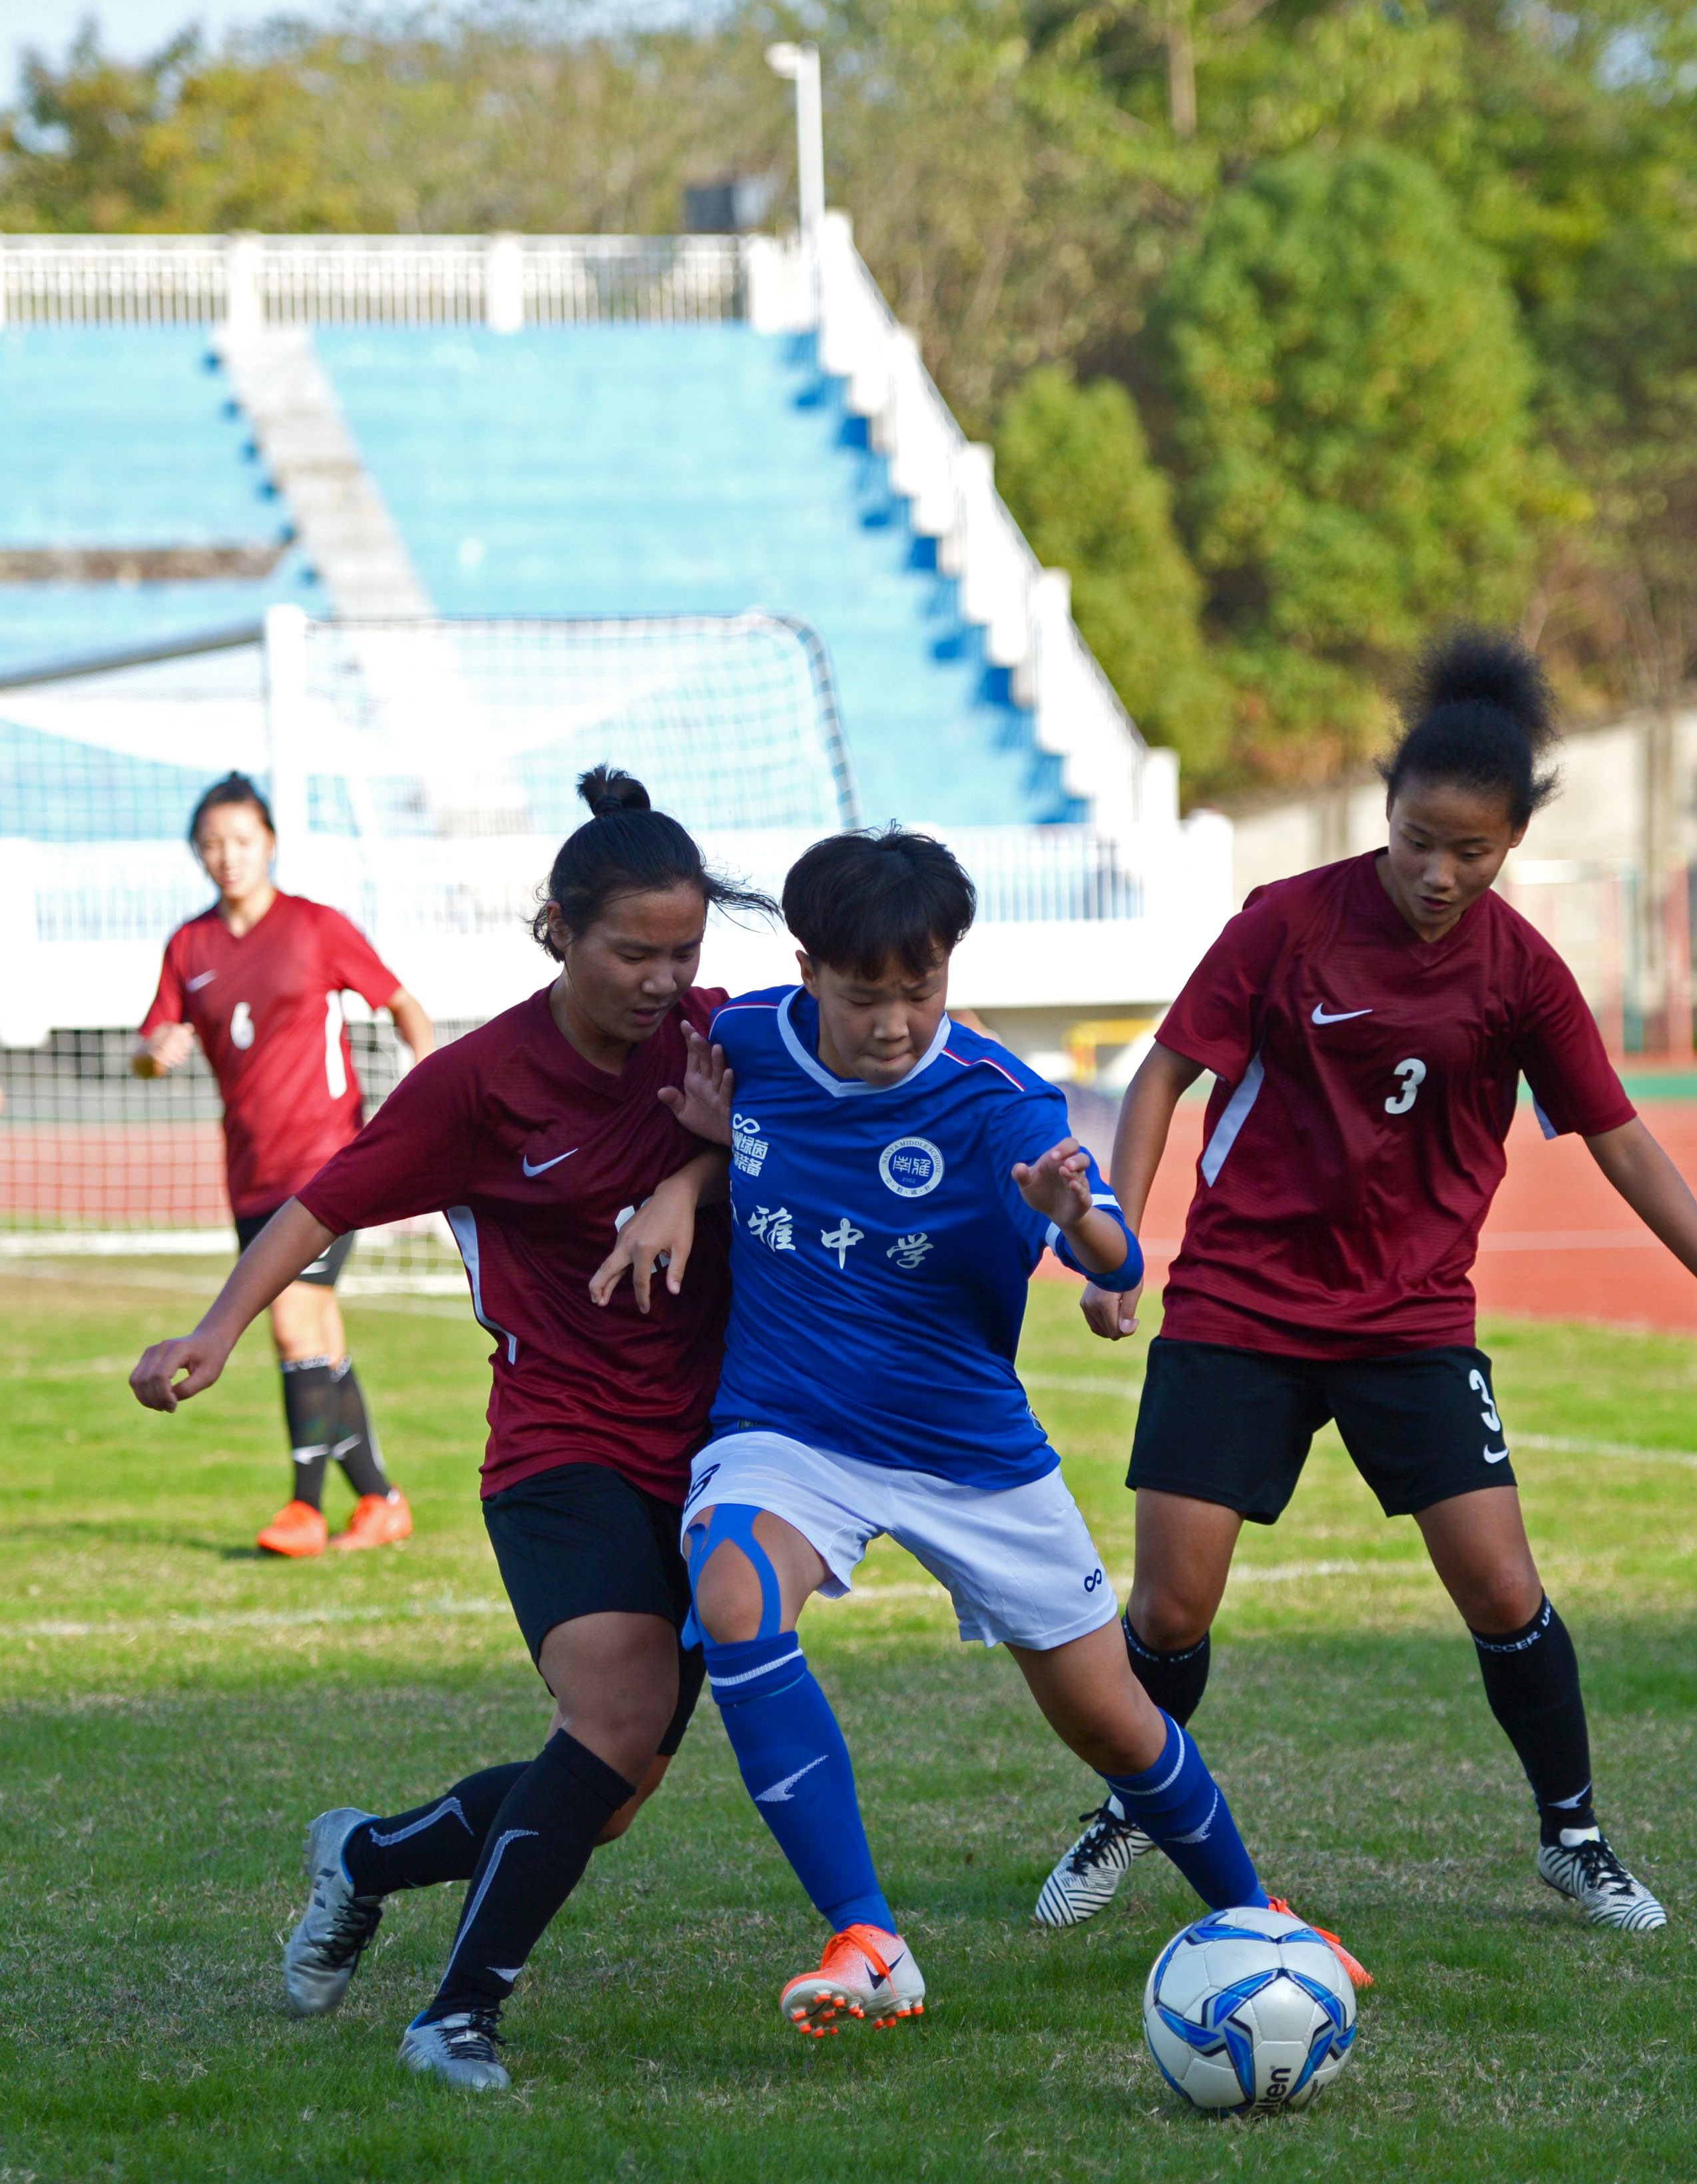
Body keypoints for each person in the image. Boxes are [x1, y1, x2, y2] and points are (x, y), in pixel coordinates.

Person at [1031, 629, 1697, 1938]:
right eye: (1417, 838)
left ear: (1511, 842)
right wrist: (1117, 1235)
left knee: (1502, 1587)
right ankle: (1126, 1807)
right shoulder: (1285, 923)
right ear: (1384, 807)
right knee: (1169, 1603)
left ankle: (1576, 1835)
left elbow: (1617, 1134)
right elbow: (1163, 1074)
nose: (1438, 872)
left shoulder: (1520, 970)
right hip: (1240, 1304)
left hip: (1411, 1319)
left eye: (1471, 850)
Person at [589, 827, 1369, 2041]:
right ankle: (866, 1938)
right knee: (734, 1587)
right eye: (865, 995)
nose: (896, 1020)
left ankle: (1258, 1918)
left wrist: (1082, 1223)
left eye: (922, 988)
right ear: (808, 970)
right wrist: (692, 1170)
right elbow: (713, 1121)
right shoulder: (746, 1039)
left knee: (1109, 1718)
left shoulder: (999, 1100)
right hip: (789, 1431)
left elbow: (1115, 1251)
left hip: (967, 1452)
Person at [128, 768, 769, 2092]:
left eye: (686, 950)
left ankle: (363, 1857)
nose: (664, 978)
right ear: (559, 931)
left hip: (708, 1452)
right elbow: (317, 1205)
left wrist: (697, 1166)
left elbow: (838, 1095)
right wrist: (216, 1329)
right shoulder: (478, 1083)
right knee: (617, 1711)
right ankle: (455, 2017)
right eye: (634, 950)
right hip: (561, 1442)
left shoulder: (718, 1041)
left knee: (612, 1790)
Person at [133, 772, 434, 1557]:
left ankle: (303, 1508)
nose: (226, 856)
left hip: (332, 1163)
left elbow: (404, 1005)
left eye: (240, 840)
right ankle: (379, 1499)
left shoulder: (316, 927)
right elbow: (150, 1043)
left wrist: (428, 1081)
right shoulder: (188, 945)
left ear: (269, 843)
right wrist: (150, 1055)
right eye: (211, 844)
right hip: (251, 1175)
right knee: (318, 1333)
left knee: (292, 1318)